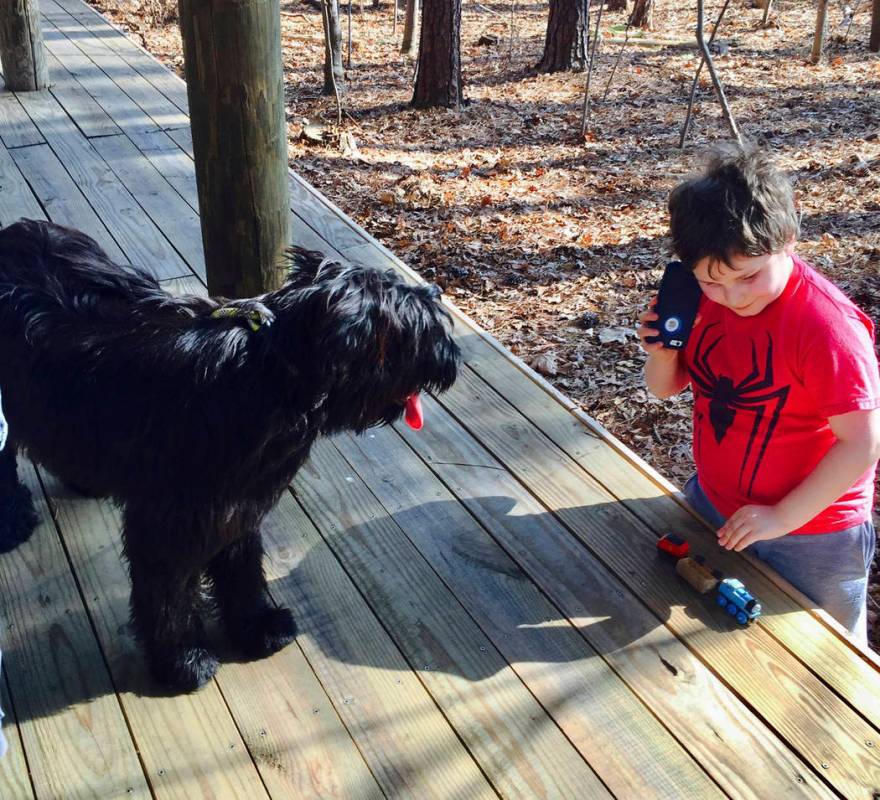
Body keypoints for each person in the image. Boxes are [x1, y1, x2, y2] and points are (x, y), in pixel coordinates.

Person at [637, 143, 880, 642]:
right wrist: (662, 355)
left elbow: (861, 443)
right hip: (714, 502)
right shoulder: (699, 300)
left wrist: (780, 517)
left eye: (749, 276)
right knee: (719, 642)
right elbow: (665, 390)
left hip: (812, 534)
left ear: (788, 237)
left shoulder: (827, 328)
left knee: (827, 665)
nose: (733, 297)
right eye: (711, 282)